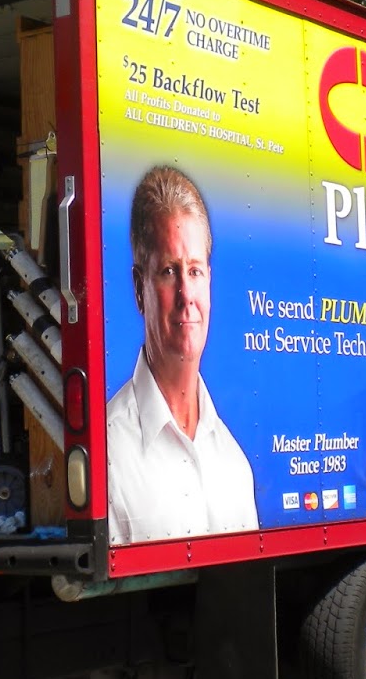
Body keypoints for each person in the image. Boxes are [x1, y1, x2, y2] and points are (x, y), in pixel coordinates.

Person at [106, 165, 257, 544]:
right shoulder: (108, 458)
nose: (186, 296)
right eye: (169, 272)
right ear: (140, 288)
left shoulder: (234, 464)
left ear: (209, 280)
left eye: (194, 272)